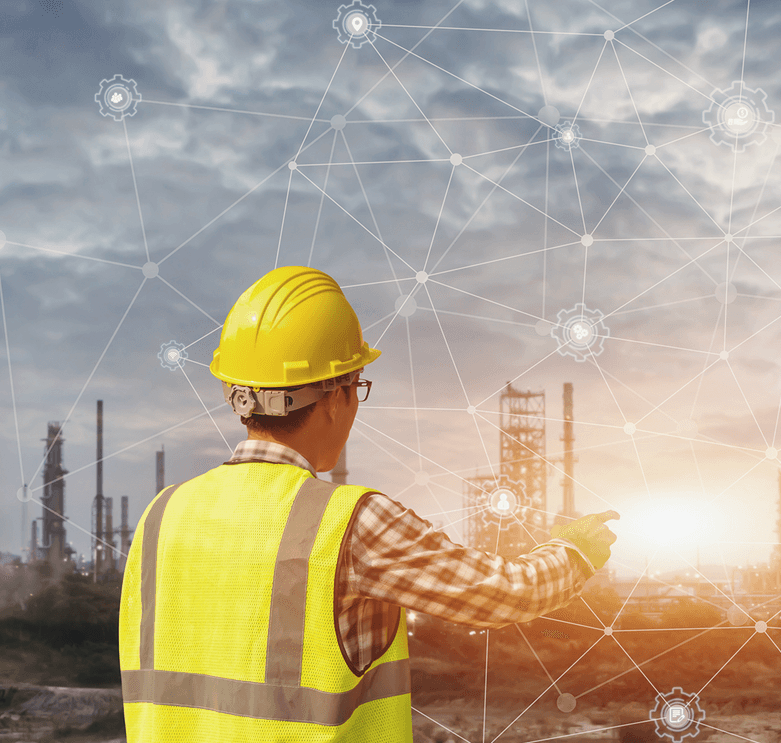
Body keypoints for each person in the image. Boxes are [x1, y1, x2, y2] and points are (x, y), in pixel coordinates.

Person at [119, 266, 619, 741]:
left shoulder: (161, 515)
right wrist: (574, 552)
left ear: (238, 396)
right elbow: (503, 593)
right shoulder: (351, 523)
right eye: (358, 386)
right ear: (337, 396)